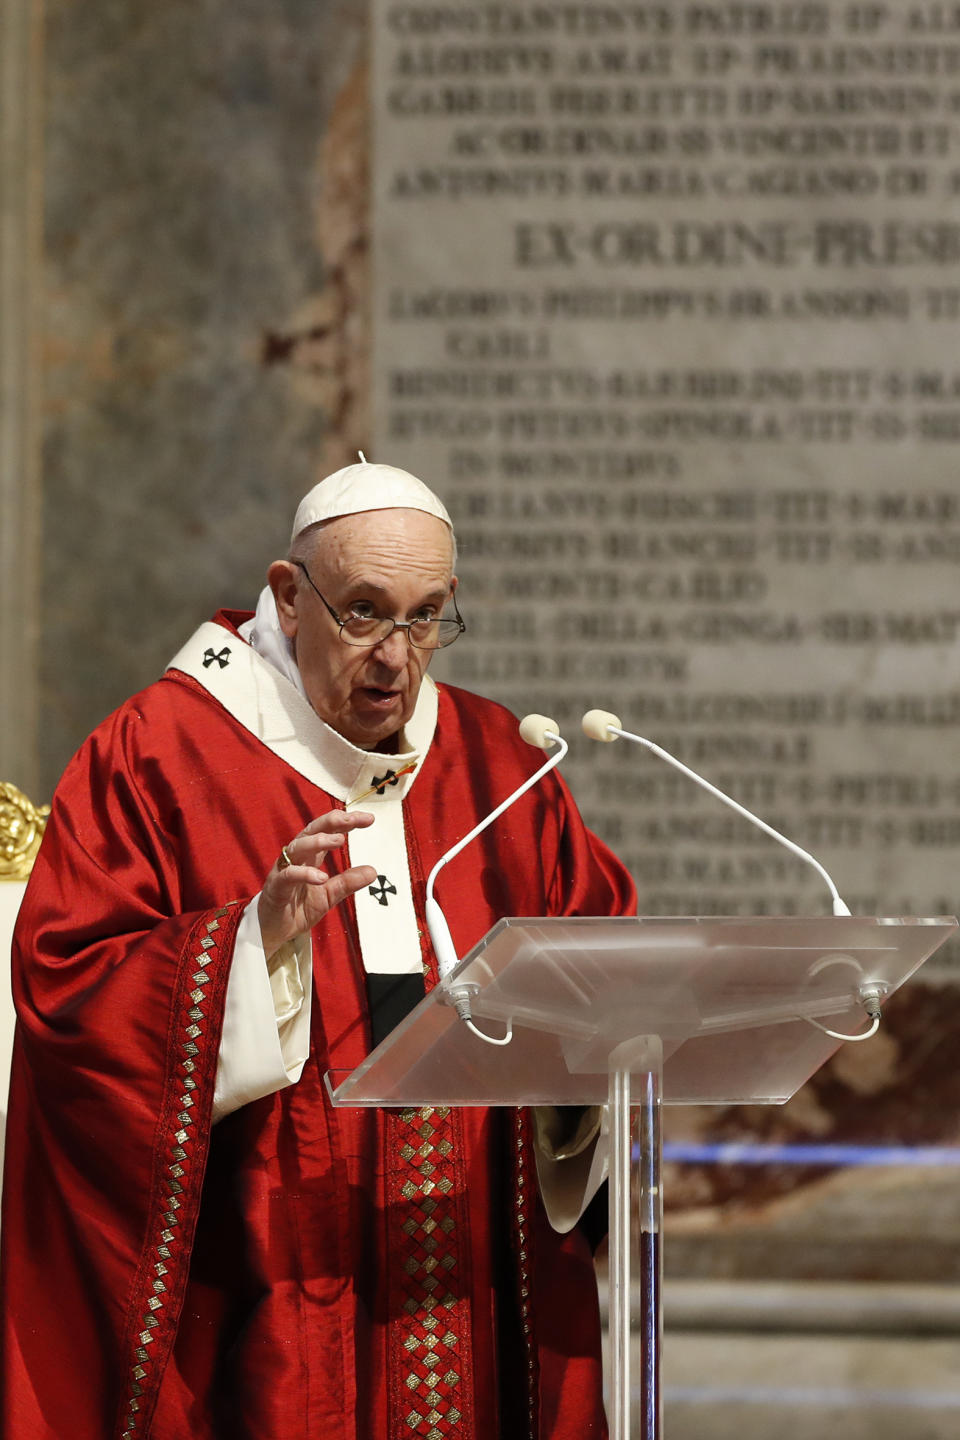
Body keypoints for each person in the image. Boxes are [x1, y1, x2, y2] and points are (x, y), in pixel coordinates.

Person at [0, 461, 636, 1440]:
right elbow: (67, 996)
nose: (396, 658)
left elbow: (601, 966)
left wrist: (593, 1042)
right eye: (365, 614)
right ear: (290, 598)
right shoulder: (157, 756)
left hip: (468, 1285)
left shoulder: (504, 765)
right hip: (267, 1302)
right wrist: (250, 949)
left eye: (426, 618)